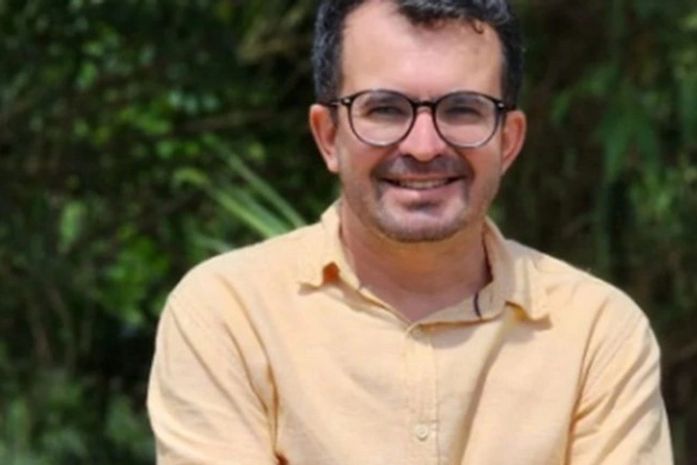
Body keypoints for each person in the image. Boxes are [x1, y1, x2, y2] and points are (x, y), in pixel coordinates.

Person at [147, 0, 673, 464]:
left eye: (462, 109)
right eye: (385, 109)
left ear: (508, 142)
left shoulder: (596, 334)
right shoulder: (231, 314)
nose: (424, 146)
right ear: (328, 137)